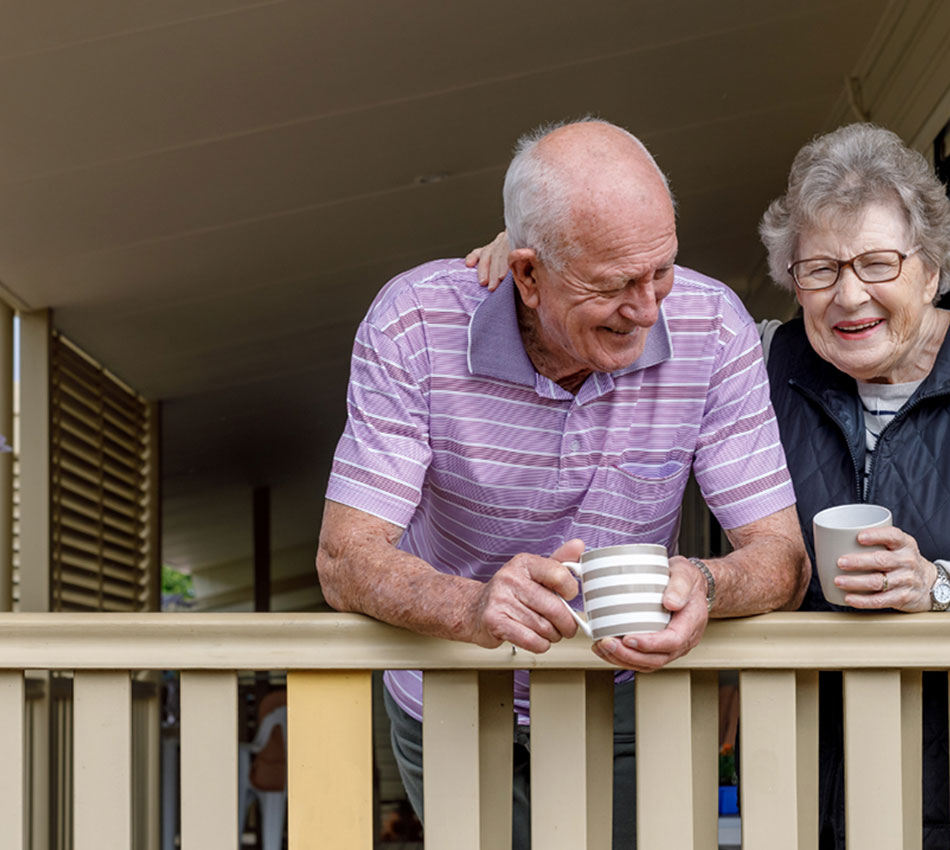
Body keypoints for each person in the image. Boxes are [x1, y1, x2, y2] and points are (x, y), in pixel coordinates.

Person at [468, 123, 950, 849]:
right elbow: (626, 298)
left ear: (931, 268)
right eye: (820, 270)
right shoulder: (763, 361)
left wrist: (939, 585)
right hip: (796, 791)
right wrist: (537, 266)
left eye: (877, 263)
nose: (849, 297)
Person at [317, 119, 808, 850]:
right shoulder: (414, 322)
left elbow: (783, 560)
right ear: (526, 274)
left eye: (662, 272)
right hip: (449, 687)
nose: (647, 310)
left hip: (625, 694)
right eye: (613, 286)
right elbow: (344, 560)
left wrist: (705, 586)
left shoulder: (713, 328)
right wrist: (473, 607)